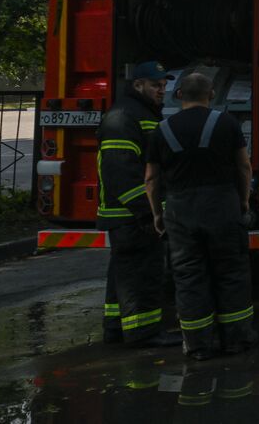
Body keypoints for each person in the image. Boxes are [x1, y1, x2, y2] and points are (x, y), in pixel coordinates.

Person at [146, 72, 256, 360]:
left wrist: (158, 213)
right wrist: (243, 200)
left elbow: (151, 178)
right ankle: (236, 340)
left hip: (181, 211)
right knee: (230, 273)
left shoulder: (161, 130)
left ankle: (197, 345)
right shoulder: (227, 123)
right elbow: (244, 167)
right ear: (211, 95)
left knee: (189, 277)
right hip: (222, 206)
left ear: (179, 94)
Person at [98, 60, 177, 347]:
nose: (162, 90)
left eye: (164, 85)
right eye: (156, 85)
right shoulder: (123, 117)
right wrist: (148, 213)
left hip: (130, 215)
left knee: (124, 273)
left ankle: (116, 328)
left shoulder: (139, 113)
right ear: (138, 85)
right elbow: (121, 171)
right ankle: (144, 332)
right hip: (131, 215)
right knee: (142, 274)